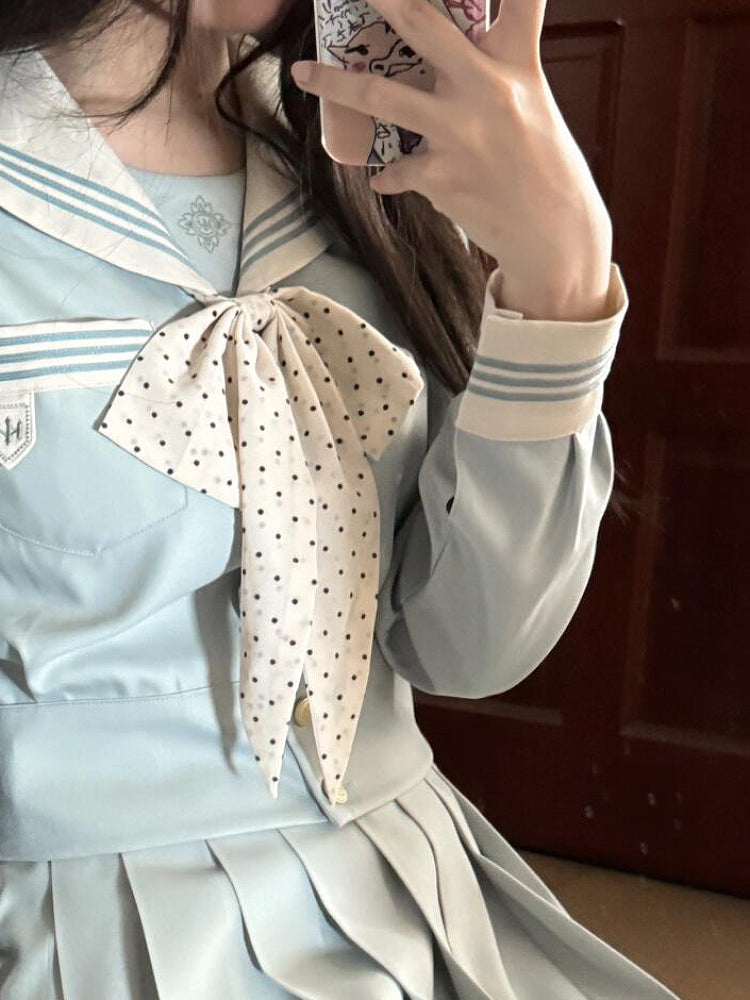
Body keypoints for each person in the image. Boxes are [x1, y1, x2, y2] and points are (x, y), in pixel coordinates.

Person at [0, 1, 683, 998]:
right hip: (75, 934)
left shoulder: (363, 147)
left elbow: (465, 647)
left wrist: (559, 279)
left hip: (406, 900)